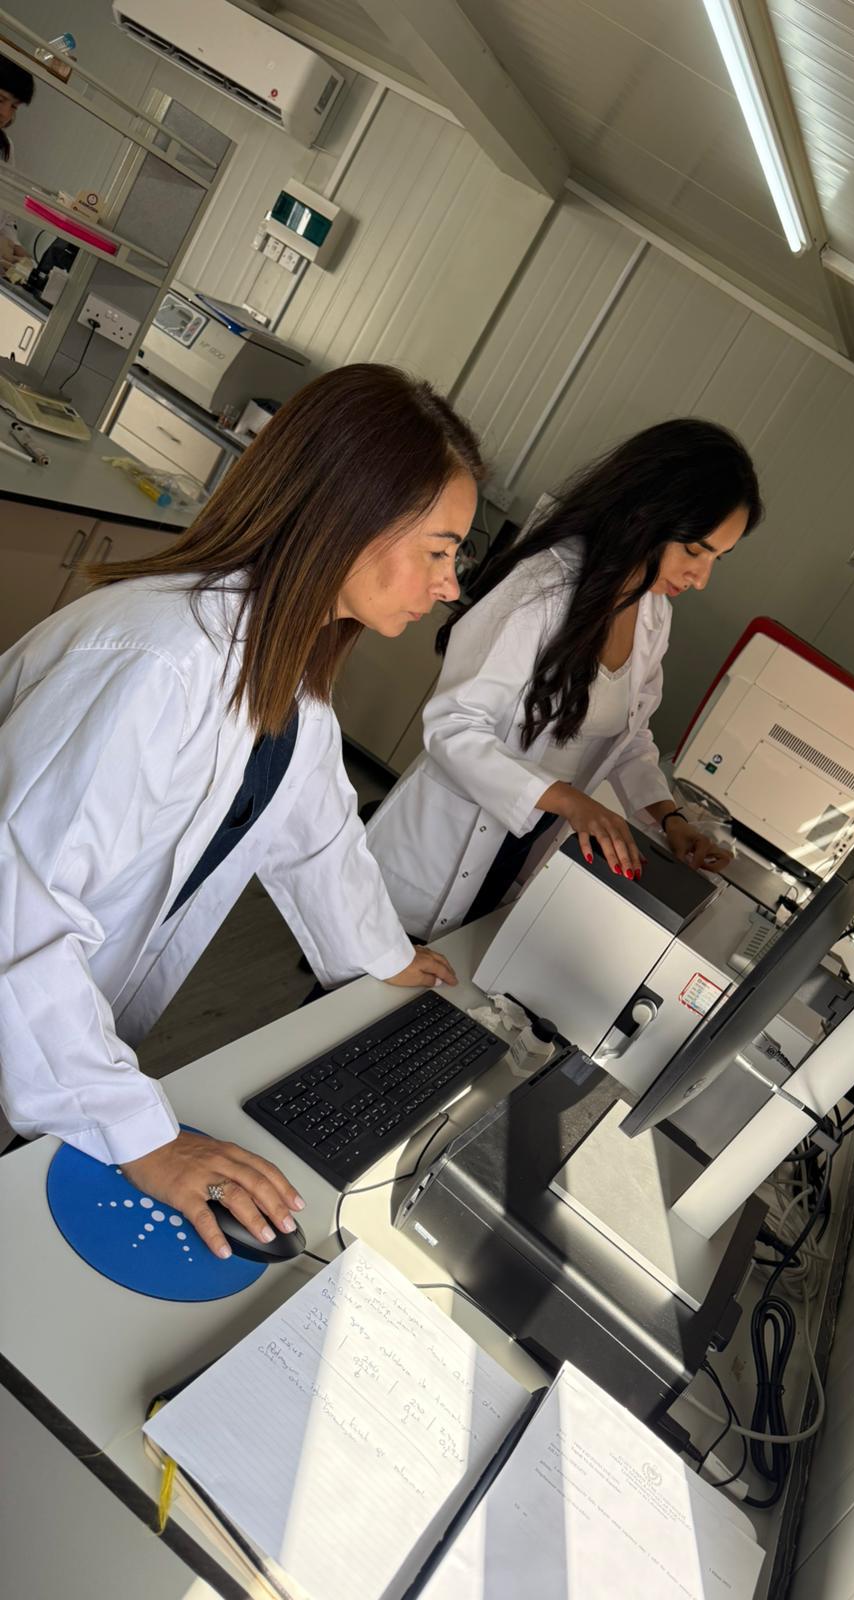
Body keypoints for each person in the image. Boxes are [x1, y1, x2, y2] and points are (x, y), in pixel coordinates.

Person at [0, 364, 477, 1258]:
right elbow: (13, 916)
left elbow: (318, 840)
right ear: (350, 521)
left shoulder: (284, 670)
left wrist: (384, 961)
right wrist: (145, 1138)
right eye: (439, 551)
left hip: (45, 1037)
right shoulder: (158, 665)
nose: (450, 586)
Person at [365, 418, 762, 942]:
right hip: (440, 849)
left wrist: (670, 819)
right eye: (695, 550)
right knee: (368, 984)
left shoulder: (652, 613)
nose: (701, 577)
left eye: (717, 559)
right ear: (648, 512)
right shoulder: (545, 582)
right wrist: (571, 802)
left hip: (520, 848)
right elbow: (453, 726)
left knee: (446, 976)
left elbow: (628, 738)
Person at [0, 53, 35, 272]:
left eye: (14, 106)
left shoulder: (6, 148)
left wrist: (15, 245)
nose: (5, 113)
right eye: (0, 100)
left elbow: (6, 213)